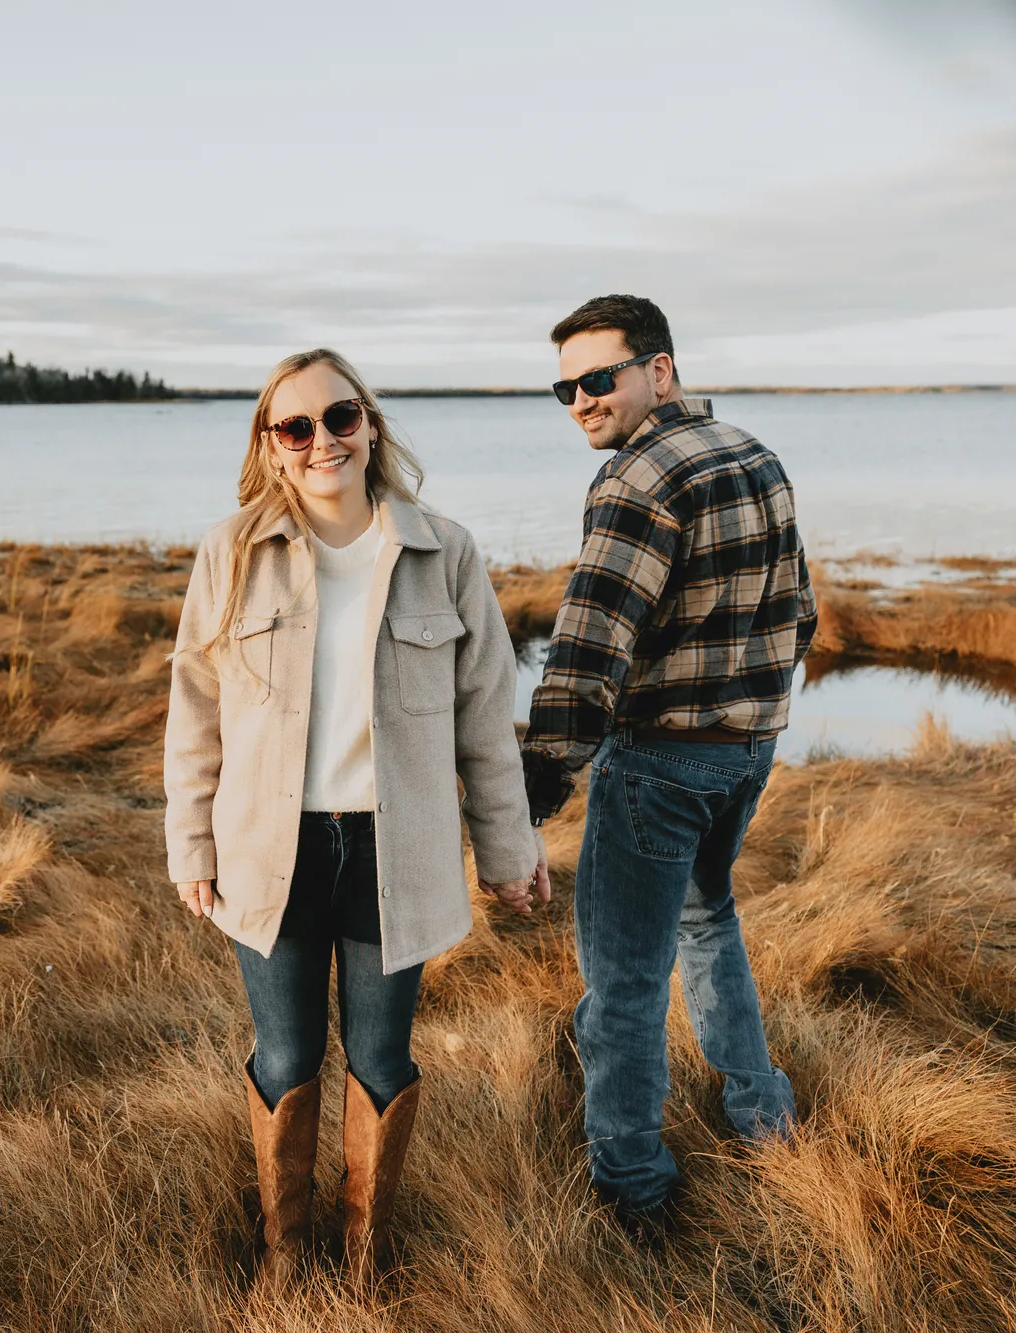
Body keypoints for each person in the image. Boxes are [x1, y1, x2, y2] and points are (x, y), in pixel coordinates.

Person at [164, 348, 545, 1294]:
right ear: (271, 445)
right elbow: (195, 714)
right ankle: (287, 1256)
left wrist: (508, 848)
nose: (322, 440)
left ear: (369, 424)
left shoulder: (443, 551)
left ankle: (367, 1252)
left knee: (380, 1056)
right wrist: (192, 843)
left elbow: (485, 720)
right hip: (270, 850)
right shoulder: (231, 550)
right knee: (286, 1053)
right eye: (296, 426)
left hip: (393, 848)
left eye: (339, 418)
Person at [518, 295, 816, 1236]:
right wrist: (751, 711)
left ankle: (633, 1180)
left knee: (627, 978)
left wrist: (534, 784)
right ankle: (762, 1111)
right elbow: (799, 610)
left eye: (600, 377)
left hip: (657, 763)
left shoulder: (635, 481)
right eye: (564, 386)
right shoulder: (753, 452)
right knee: (708, 914)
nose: (581, 400)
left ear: (661, 369)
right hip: (748, 752)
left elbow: (585, 655)